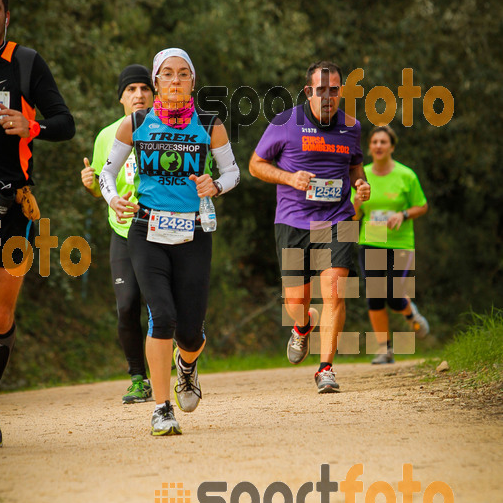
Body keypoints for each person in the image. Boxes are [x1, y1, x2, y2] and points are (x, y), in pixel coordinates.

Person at [99, 48, 240, 436]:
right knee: (161, 316)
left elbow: (233, 172)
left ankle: (187, 365)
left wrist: (216, 184)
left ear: (193, 81)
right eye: (167, 74)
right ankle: (161, 408)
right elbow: (106, 174)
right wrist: (113, 198)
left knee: (190, 333)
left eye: (182, 74)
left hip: (194, 231)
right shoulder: (135, 123)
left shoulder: (210, 124)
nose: (175, 81)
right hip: (146, 230)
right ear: (157, 81)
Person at [0, 0, 75, 446]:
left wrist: (31, 126)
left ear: (6, 17)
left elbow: (65, 123)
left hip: (10, 202)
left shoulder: (25, 63)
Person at [249, 60, 371, 393]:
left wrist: (361, 184)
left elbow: (355, 168)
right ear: (308, 92)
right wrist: (289, 178)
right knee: (295, 302)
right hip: (293, 220)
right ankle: (302, 327)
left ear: (341, 92)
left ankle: (325, 368)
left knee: (333, 292)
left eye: (334, 90)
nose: (328, 97)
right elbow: (255, 164)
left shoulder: (352, 127)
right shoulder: (286, 122)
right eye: (321, 91)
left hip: (337, 218)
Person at [81, 66, 155, 403]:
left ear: (154, 94)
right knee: (127, 307)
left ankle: (176, 367)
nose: (138, 94)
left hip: (159, 230)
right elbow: (102, 184)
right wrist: (91, 186)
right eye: (131, 89)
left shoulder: (167, 130)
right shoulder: (106, 135)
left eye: (144, 88)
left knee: (160, 307)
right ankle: (138, 378)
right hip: (123, 232)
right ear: (121, 97)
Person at [352, 124, 429, 364]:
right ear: (369, 147)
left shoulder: (406, 175)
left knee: (395, 295)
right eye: (374, 142)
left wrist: (403, 214)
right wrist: (354, 204)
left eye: (383, 142)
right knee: (375, 295)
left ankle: (410, 312)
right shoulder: (361, 175)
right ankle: (384, 349)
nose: (378, 146)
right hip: (371, 239)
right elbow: (354, 216)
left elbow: (422, 206)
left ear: (392, 146)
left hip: (400, 242)